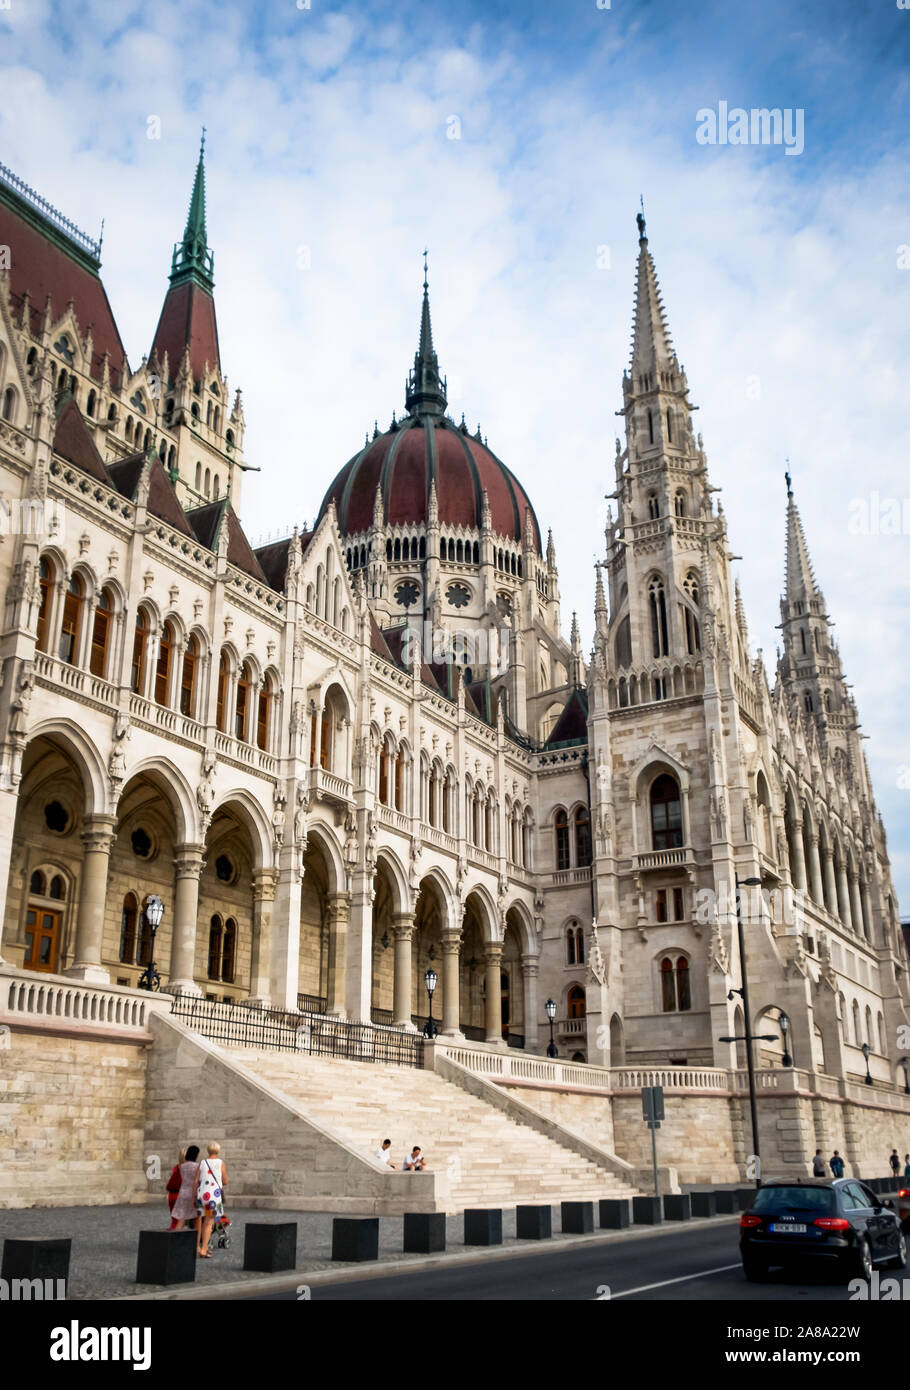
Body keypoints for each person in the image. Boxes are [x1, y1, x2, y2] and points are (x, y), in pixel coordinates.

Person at [196, 1142, 228, 1258]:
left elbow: (196, 1181)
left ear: (208, 1151)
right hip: (213, 1197)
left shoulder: (203, 1162)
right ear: (218, 1151)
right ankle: (203, 1250)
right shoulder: (220, 1163)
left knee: (205, 1221)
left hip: (202, 1195)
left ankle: (203, 1247)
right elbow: (225, 1181)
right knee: (209, 1223)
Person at [170, 1144, 201, 1239]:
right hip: (194, 1193)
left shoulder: (181, 1166)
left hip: (183, 1192)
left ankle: (174, 1240)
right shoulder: (198, 1166)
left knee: (181, 1219)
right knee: (197, 1219)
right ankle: (196, 1242)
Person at [166, 1148, 186, 1228]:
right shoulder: (190, 1168)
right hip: (181, 1195)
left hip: (172, 1195)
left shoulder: (176, 1167)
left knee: (175, 1220)